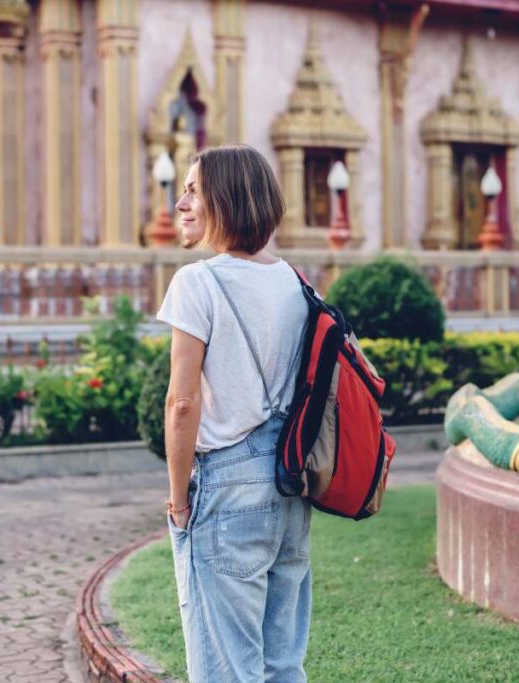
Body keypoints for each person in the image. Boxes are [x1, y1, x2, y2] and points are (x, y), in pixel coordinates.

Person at [157, 145, 312, 682]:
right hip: (291, 485)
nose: (181, 202)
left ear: (225, 199)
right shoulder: (297, 282)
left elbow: (182, 403)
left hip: (226, 484)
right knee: (281, 666)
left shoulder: (197, 283)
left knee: (226, 670)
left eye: (194, 190)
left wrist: (179, 501)